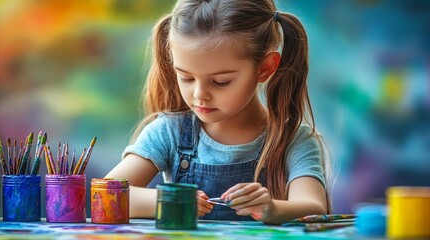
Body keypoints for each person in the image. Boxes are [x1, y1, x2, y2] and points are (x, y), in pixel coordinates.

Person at [106, 0, 331, 224]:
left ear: (265, 68)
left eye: (221, 81)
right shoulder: (168, 132)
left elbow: (314, 206)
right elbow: (107, 192)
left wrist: (271, 208)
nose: (199, 94)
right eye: (186, 78)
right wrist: (172, 199)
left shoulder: (294, 140)